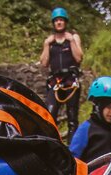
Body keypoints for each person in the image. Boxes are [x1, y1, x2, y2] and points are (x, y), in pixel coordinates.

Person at [40, 6, 83, 143]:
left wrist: (71, 41)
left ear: (65, 22)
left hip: (71, 81)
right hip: (56, 82)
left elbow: (79, 58)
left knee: (72, 118)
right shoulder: (50, 42)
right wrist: (46, 45)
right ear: (53, 23)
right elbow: (44, 63)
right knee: (50, 115)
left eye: (61, 20)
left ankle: (72, 149)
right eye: (56, 20)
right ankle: (52, 145)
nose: (59, 23)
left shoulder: (73, 38)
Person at [70, 77, 111, 162]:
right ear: (99, 106)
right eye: (109, 107)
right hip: (92, 174)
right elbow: (73, 159)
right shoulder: (86, 128)